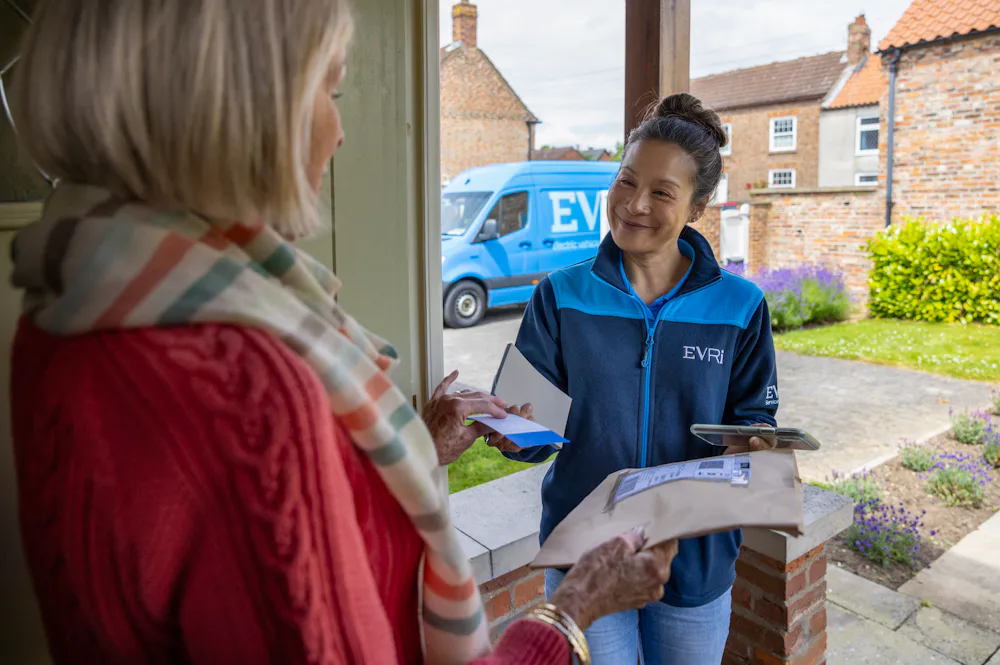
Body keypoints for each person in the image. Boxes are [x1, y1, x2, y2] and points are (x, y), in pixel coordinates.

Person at [6, 1, 680, 664]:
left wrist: (418, 447)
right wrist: (569, 610)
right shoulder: (249, 386)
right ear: (243, 108)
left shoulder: (73, 305)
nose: (340, 130)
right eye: (329, 89)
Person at [491, 94, 780, 665]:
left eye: (662, 193)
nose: (634, 204)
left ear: (697, 208)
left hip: (695, 561)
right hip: (586, 559)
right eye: (626, 181)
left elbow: (754, 420)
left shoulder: (740, 306)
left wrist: (754, 444)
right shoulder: (561, 295)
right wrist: (511, 434)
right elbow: (533, 425)